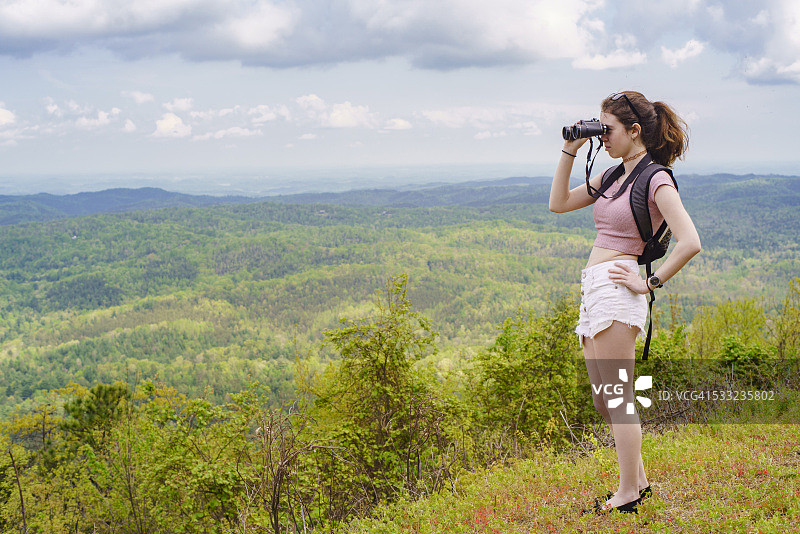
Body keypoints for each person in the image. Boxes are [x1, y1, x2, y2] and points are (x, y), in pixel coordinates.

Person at [549, 91, 701, 513]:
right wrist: (570, 150)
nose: (603, 138)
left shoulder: (656, 178)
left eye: (608, 130)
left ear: (635, 131)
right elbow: (558, 203)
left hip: (620, 291)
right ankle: (639, 481)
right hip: (595, 289)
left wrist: (649, 282)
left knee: (617, 396)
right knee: (604, 398)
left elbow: (690, 242)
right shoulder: (615, 175)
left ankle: (628, 492)